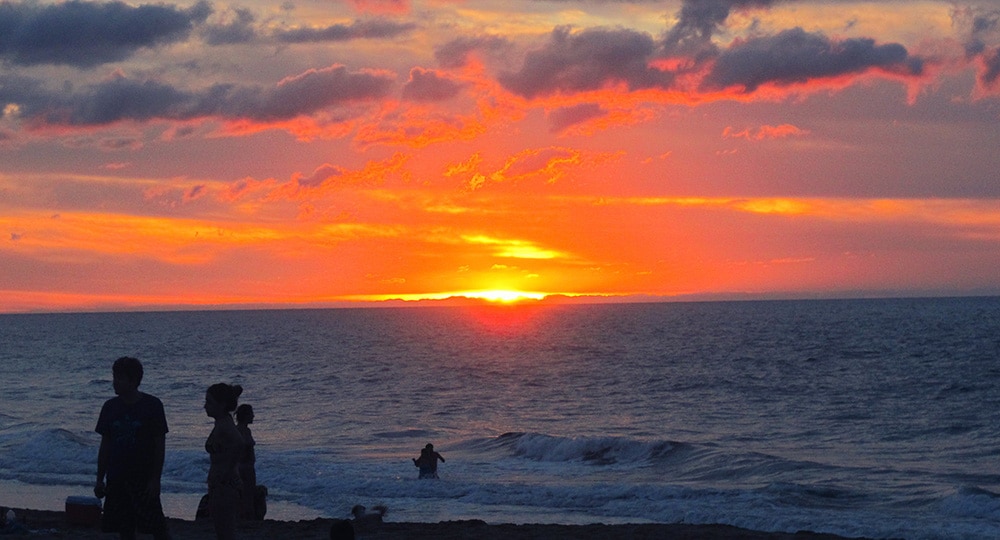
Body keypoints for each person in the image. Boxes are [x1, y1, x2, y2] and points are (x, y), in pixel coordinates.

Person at [94, 356, 172, 540]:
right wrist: (99, 478)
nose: (115, 383)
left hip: (143, 476)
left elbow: (159, 444)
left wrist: (155, 478)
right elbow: (105, 445)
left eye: (119, 378)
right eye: (114, 377)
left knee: (155, 526)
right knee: (123, 526)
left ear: (133, 381)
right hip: (117, 475)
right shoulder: (110, 407)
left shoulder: (152, 405)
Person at [204, 383, 245, 540]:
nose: (205, 406)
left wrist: (227, 471)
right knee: (221, 529)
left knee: (225, 531)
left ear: (221, 405)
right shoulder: (221, 422)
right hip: (221, 482)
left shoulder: (225, 424)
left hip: (225, 484)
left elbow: (239, 443)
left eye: (209, 402)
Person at [234, 404, 259, 520]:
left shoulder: (241, 429)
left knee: (244, 495)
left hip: (243, 467)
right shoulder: (242, 430)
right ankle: (247, 517)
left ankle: (245, 516)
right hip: (245, 467)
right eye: (251, 413)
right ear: (246, 416)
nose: (253, 416)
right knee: (247, 495)